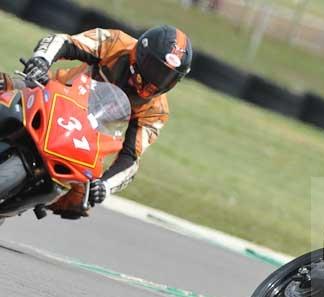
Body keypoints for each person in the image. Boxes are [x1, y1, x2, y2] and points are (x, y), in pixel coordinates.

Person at [3, 25, 192, 218]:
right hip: (50, 92)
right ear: (141, 53)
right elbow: (65, 42)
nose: (156, 79)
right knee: (5, 89)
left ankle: (12, 208)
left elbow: (131, 158)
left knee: (80, 200)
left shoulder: (156, 110)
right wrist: (41, 61)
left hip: (83, 139)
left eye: (167, 77)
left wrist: (105, 185)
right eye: (155, 68)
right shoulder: (115, 43)